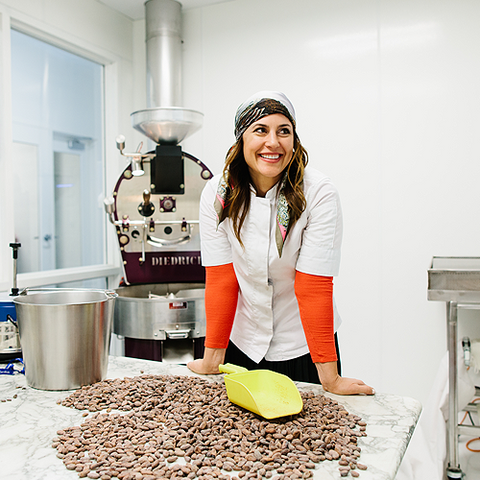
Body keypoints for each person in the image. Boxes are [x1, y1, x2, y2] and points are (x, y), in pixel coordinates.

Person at [188, 91, 374, 396]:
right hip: (241, 343)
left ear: (294, 140)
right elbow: (222, 278)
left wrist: (331, 379)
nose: (273, 142)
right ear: (241, 140)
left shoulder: (318, 194)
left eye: (283, 131)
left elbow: (313, 286)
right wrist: (212, 359)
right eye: (260, 130)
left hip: (302, 346)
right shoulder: (217, 195)